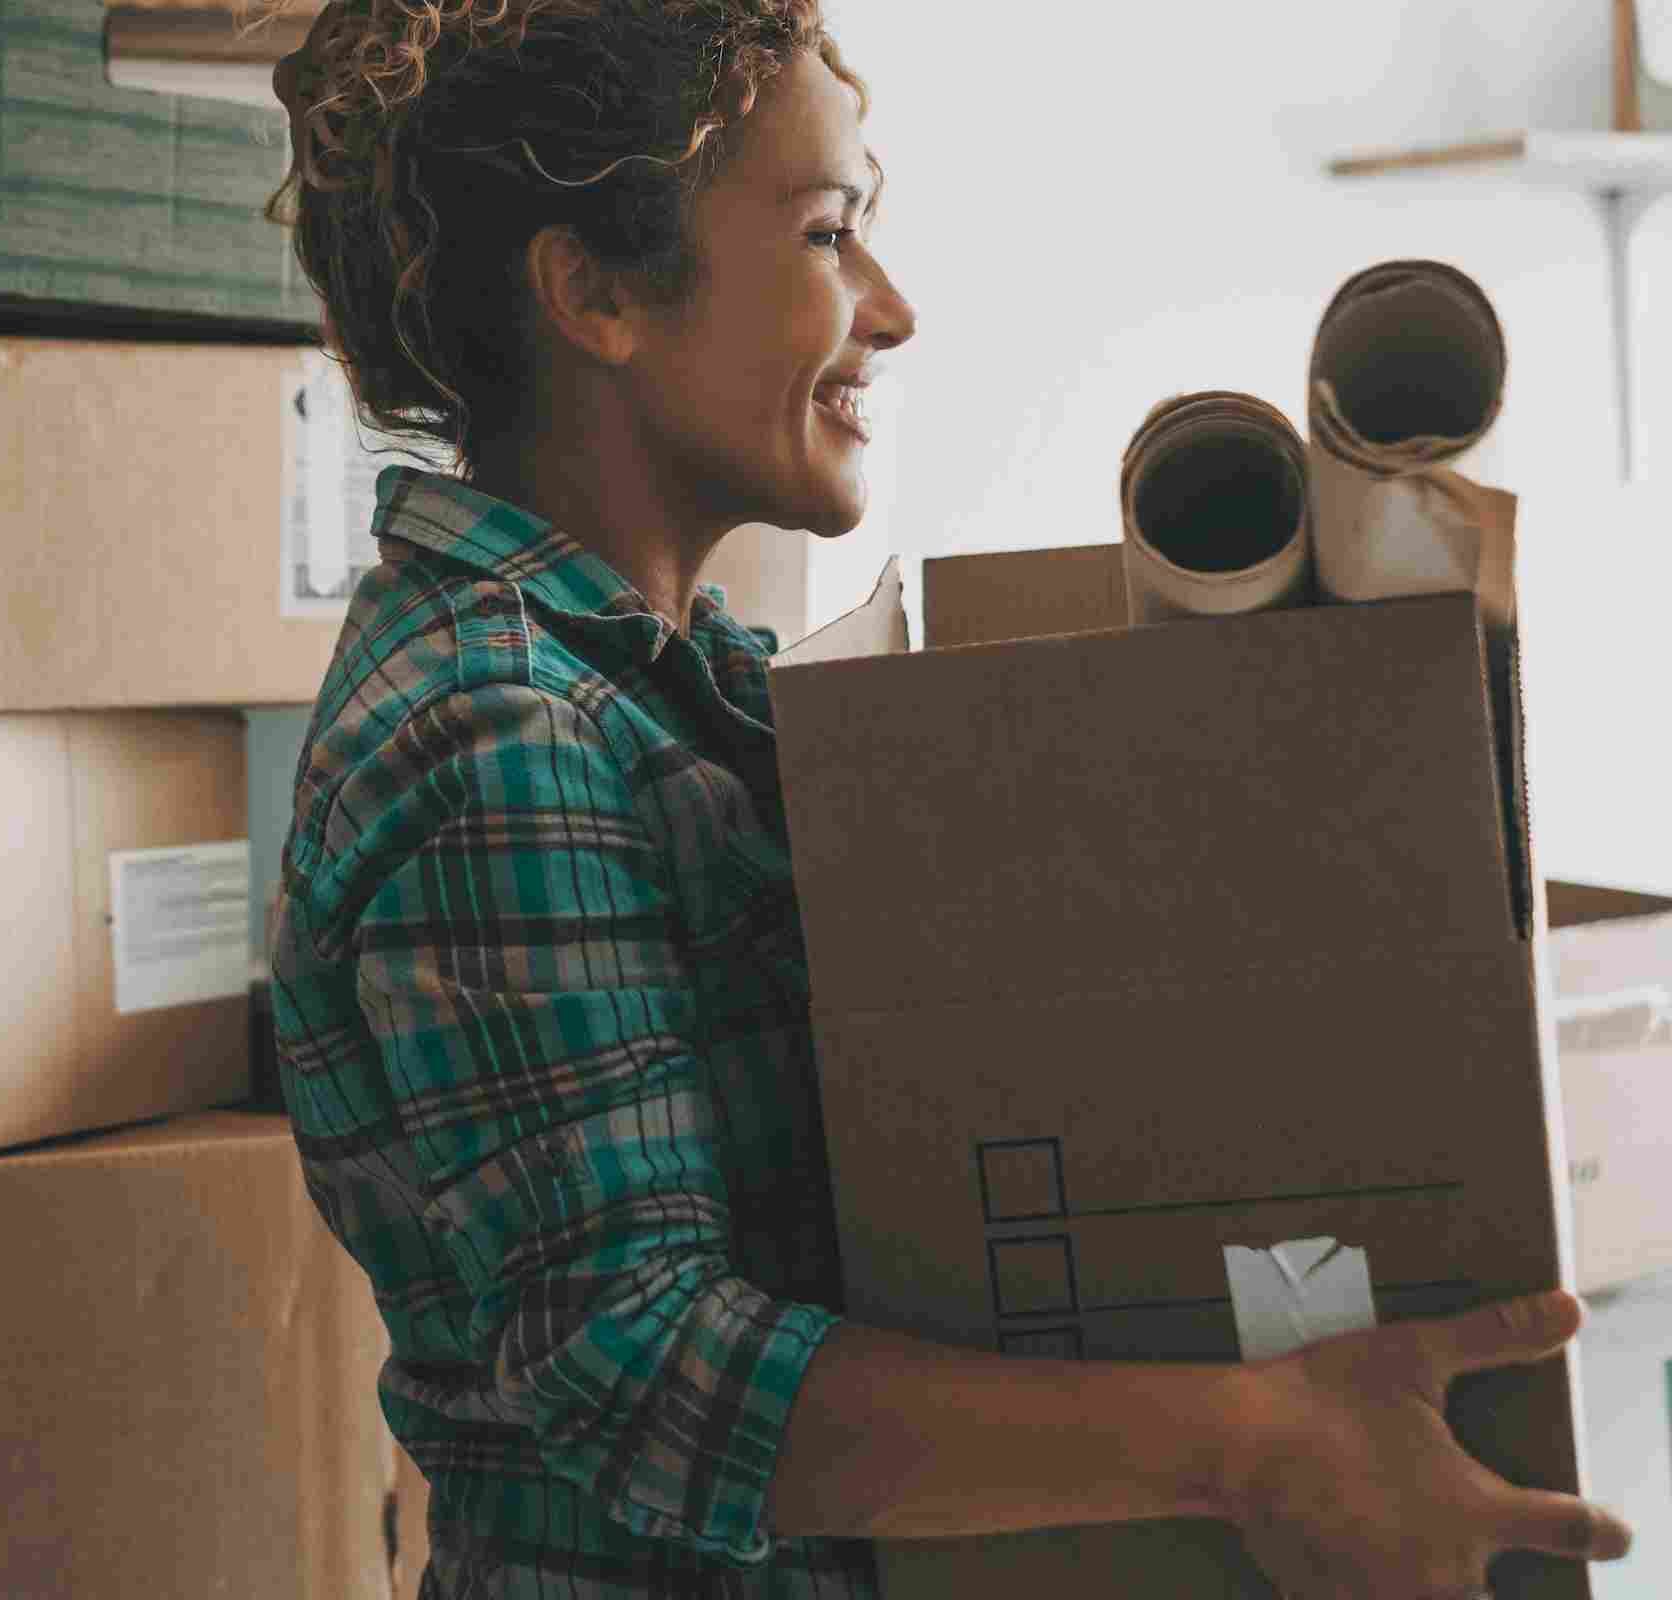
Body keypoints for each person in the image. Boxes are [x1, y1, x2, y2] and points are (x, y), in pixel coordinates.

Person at [261, 3, 1636, 1595]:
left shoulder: (672, 687)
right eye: (830, 233)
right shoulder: (491, 734)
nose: (893, 310)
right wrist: (1265, 1442)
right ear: (596, 292)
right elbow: (646, 1371)